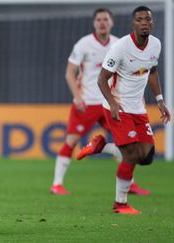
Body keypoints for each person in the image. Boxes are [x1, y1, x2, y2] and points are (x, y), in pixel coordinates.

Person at [79, 6, 171, 214]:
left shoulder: (155, 45)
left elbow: (152, 71)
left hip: (138, 109)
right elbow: (102, 79)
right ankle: (120, 203)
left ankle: (100, 146)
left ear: (152, 22)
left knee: (146, 156)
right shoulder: (121, 47)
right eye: (140, 20)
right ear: (134, 24)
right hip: (118, 107)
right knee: (130, 155)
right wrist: (112, 103)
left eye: (148, 19)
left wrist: (160, 100)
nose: (144, 22)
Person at [51, 9, 149, 196]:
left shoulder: (119, 44)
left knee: (127, 143)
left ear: (111, 22)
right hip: (86, 103)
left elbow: (128, 74)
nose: (102, 23)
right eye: (98, 20)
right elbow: (70, 73)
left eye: (105, 19)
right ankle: (56, 184)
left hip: (110, 103)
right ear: (94, 23)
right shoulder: (84, 44)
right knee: (71, 141)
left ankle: (130, 184)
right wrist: (77, 97)